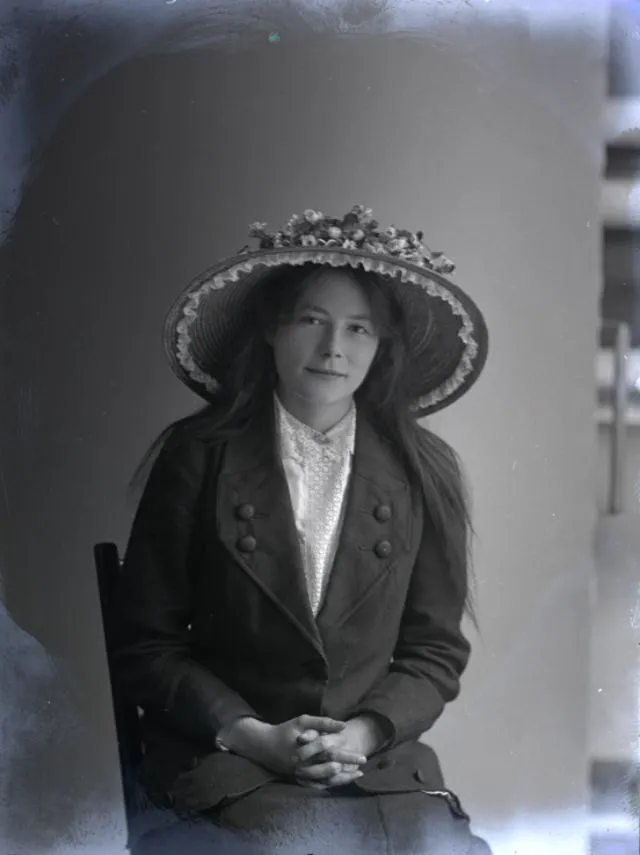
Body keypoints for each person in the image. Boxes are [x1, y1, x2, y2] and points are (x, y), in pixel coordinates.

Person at [111, 205, 492, 854]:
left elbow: (434, 650)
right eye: (312, 320)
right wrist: (253, 733)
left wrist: (364, 733)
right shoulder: (200, 455)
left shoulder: (421, 470)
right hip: (230, 762)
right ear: (271, 327)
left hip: (372, 768)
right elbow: (147, 645)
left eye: (358, 329)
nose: (333, 348)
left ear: (381, 344)